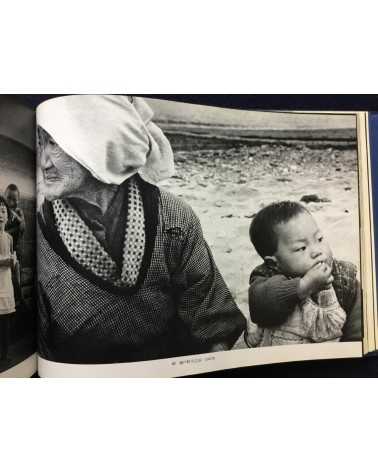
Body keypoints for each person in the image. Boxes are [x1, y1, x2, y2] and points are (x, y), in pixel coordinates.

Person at [36, 95, 246, 364]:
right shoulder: (40, 234)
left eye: (54, 143)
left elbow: (214, 325)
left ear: (98, 142)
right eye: (41, 143)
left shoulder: (172, 217)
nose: (43, 163)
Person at [246, 201, 361, 347]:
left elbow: (357, 330)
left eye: (319, 239)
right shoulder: (267, 276)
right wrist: (303, 286)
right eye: (302, 248)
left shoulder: (344, 277)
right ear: (274, 263)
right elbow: (259, 308)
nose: (317, 251)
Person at [0, 196, 16, 361]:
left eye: (3, 210)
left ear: (7, 215)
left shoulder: (9, 238)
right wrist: (5, 261)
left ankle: (5, 354)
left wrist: (13, 262)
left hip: (6, 283)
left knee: (5, 321)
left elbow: (11, 260)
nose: (0, 214)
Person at [5, 184, 25, 305]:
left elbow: (23, 227)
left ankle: (19, 301)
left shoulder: (18, 212)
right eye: (9, 198)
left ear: (18, 201)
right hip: (4, 250)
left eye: (14, 199)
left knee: (16, 279)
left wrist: (15, 216)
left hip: (15, 251)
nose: (11, 202)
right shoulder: (3, 212)